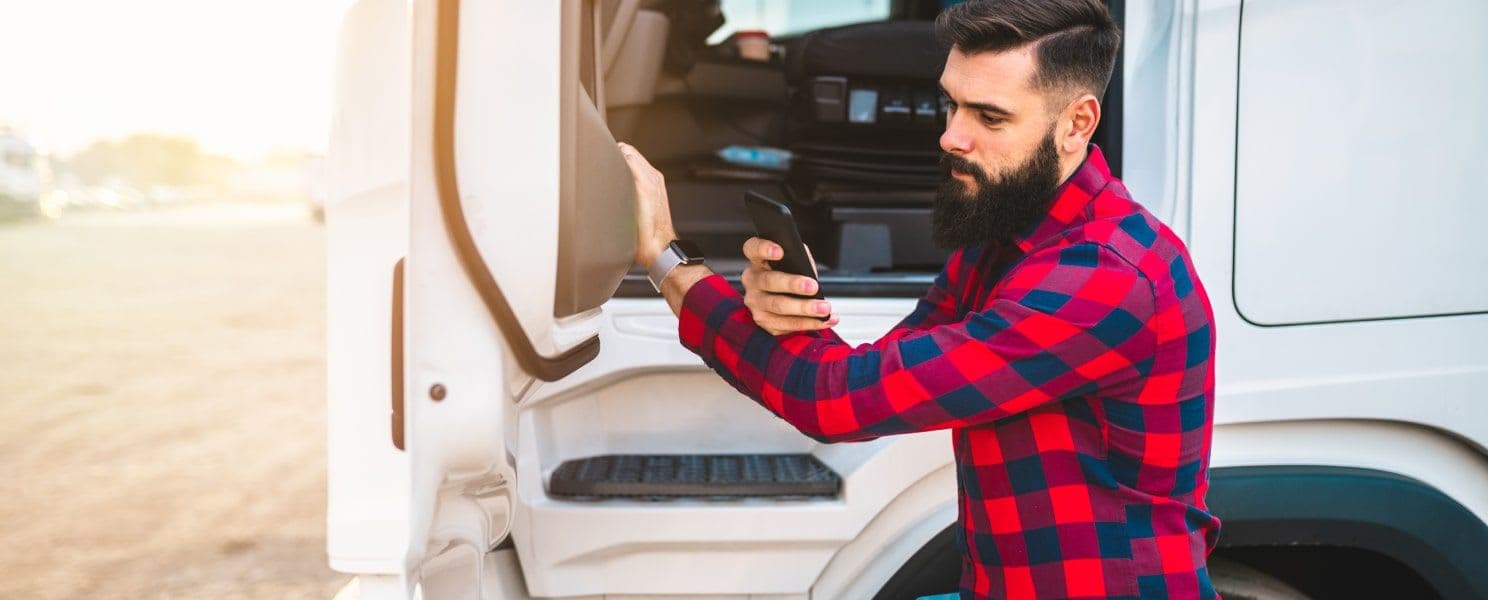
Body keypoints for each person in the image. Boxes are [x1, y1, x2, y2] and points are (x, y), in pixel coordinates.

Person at [617, 1, 1219, 597]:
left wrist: (670, 264)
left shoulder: (1102, 279)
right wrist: (782, 308)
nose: (951, 136)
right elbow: (871, 374)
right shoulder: (1003, 231)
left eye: (989, 116)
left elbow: (835, 400)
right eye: (951, 104)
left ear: (1077, 124)